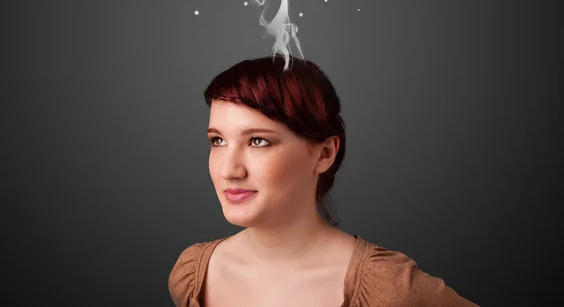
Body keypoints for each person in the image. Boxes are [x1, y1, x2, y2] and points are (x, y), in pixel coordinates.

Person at [168, 55, 479, 306]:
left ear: (324, 154)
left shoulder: (388, 288)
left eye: (258, 141)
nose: (229, 170)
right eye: (218, 141)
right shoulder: (194, 274)